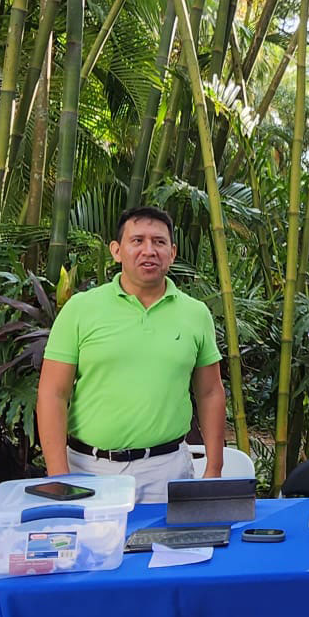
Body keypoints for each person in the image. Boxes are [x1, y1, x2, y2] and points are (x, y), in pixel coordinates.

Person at [37, 206, 227, 502]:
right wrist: (59, 474)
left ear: (172, 252)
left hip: (167, 470)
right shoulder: (80, 309)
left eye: (159, 242)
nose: (149, 250)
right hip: (88, 469)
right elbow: (52, 393)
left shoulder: (196, 313)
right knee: (90, 549)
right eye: (137, 241)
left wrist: (214, 469)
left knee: (171, 548)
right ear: (116, 251)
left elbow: (210, 392)